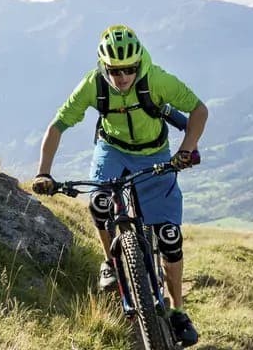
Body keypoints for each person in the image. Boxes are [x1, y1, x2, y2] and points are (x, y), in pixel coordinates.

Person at [31, 24, 208, 347]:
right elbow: (57, 125)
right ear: (104, 66)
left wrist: (186, 149)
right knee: (99, 202)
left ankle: (178, 311)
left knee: (169, 237)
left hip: (154, 154)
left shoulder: (156, 80)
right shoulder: (93, 84)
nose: (122, 77)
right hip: (111, 150)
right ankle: (111, 262)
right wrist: (44, 172)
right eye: (115, 70)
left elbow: (199, 111)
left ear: (139, 63)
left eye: (129, 69)